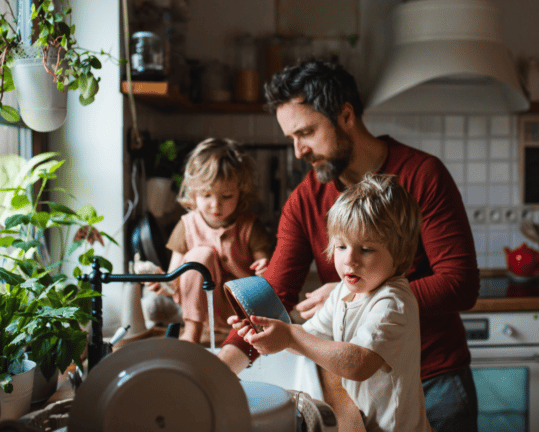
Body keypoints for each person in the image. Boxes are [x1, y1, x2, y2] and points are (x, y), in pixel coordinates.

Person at [218, 59, 480, 431]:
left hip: (434, 378)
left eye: (306, 132)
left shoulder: (422, 175)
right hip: (357, 391)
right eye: (291, 137)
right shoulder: (306, 199)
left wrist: (359, 295)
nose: (298, 151)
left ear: (345, 115)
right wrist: (218, 369)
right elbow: (273, 293)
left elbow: (460, 283)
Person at [242, 173, 433, 432]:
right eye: (341, 246)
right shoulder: (344, 291)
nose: (350, 260)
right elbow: (309, 339)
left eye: (365, 249)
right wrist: (269, 333)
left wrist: (291, 337)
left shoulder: (391, 302)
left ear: (399, 253)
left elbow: (358, 364)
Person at [148, 137, 272, 343]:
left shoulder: (250, 226)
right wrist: (163, 281)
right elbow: (174, 278)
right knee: (200, 256)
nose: (216, 205)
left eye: (227, 196)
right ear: (193, 194)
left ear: (240, 193)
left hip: (243, 311)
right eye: (207, 195)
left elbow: (267, 271)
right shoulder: (186, 225)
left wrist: (265, 268)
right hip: (202, 313)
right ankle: (192, 333)